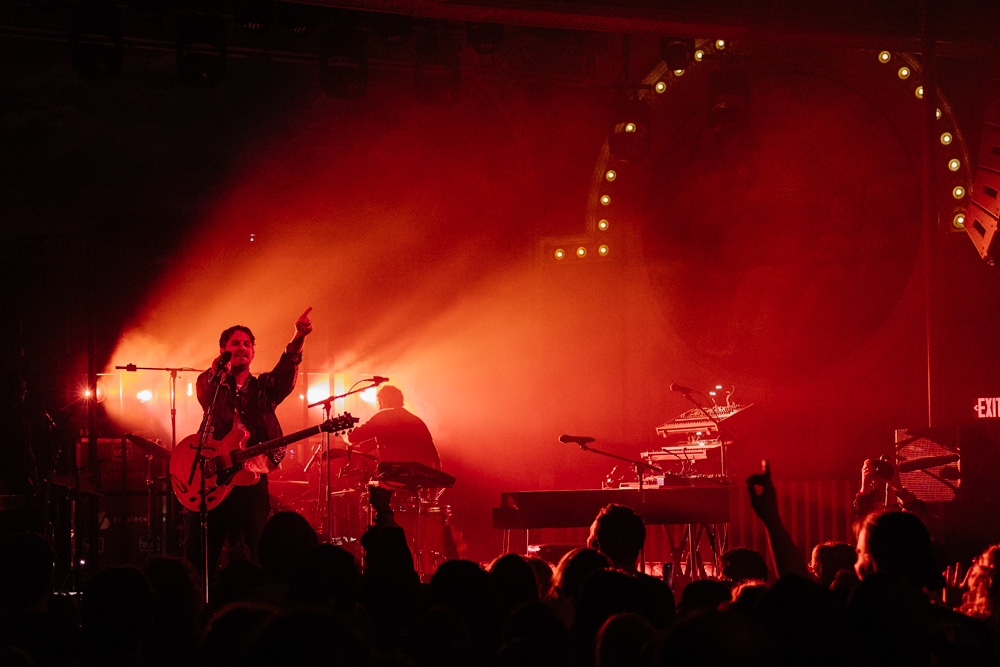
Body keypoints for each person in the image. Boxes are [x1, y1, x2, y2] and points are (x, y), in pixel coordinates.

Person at [189, 308, 312, 575]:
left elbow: (286, 371)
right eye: (235, 343)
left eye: (247, 344)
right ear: (223, 350)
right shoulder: (210, 383)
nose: (242, 347)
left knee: (256, 548)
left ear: (253, 353)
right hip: (214, 476)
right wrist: (217, 371)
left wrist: (298, 336)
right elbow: (204, 391)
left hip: (252, 473)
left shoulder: (264, 388)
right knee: (203, 552)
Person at [348, 385, 440, 470]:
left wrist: (344, 430)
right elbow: (433, 455)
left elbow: (352, 437)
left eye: (379, 403)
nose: (379, 407)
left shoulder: (383, 416)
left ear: (382, 401)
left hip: (395, 477)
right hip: (419, 477)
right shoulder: (416, 420)